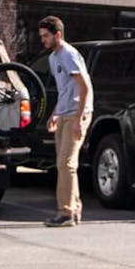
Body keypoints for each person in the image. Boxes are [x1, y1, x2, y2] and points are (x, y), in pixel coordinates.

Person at [38, 15, 93, 227]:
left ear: (57, 35)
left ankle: (66, 213)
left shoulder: (69, 55)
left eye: (46, 36)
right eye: (41, 36)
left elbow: (85, 87)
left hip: (77, 114)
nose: (43, 40)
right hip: (64, 113)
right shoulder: (53, 58)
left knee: (66, 163)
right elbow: (65, 90)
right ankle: (74, 209)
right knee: (64, 165)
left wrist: (79, 119)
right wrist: (55, 114)